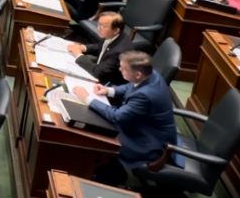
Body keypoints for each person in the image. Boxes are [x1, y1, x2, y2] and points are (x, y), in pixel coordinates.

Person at [71, 51, 177, 185]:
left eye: (123, 68)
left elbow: (117, 116)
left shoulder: (145, 95)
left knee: (98, 135)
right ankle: (109, 171)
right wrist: (108, 90)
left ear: (137, 74)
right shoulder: (150, 74)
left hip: (146, 142)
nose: (119, 69)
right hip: (142, 127)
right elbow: (130, 86)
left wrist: (88, 98)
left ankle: (105, 177)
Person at [67, 12, 135, 85]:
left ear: (116, 30)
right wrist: (83, 48)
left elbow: (99, 73)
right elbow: (100, 46)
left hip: (108, 84)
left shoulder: (119, 52)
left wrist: (78, 55)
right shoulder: (113, 35)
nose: (98, 28)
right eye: (98, 24)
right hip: (101, 70)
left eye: (102, 26)